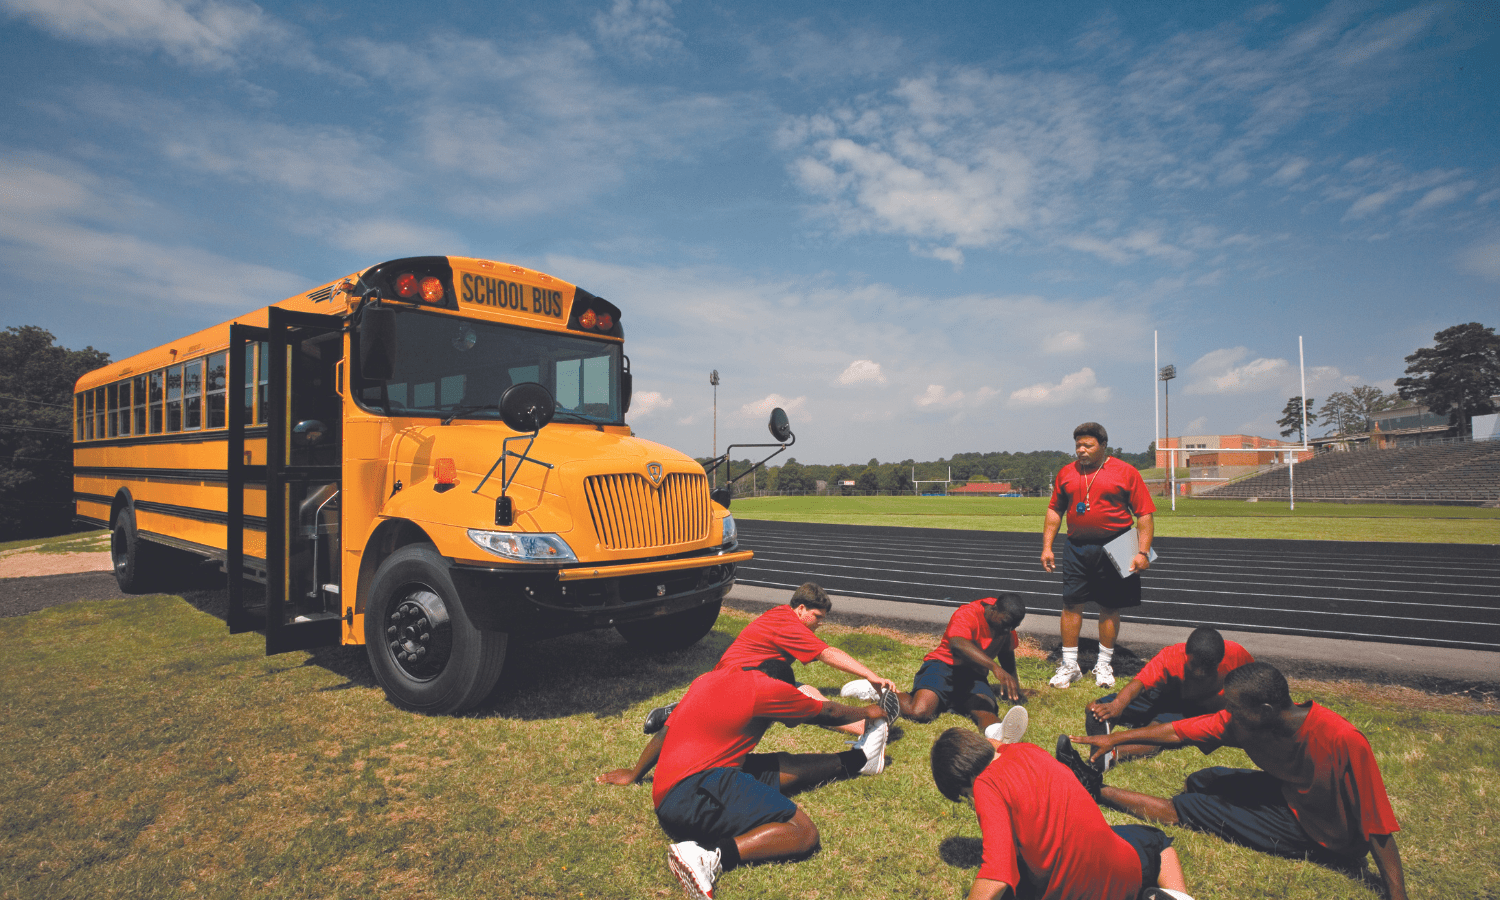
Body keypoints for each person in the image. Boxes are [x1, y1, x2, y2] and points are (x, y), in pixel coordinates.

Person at [1059, 662, 1407, 900]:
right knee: (1202, 780)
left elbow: (1377, 826)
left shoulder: (1342, 739)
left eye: (1236, 710)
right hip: (1291, 795)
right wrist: (1114, 740)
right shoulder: (1247, 722)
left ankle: (1096, 789)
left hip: (1323, 835)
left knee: (1191, 806)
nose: (1228, 717)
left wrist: (1397, 895)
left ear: (1267, 711)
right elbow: (1179, 731)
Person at [598, 659, 892, 900]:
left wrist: (636, 774)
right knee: (802, 832)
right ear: (779, 684)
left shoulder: (709, 679)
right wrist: (867, 711)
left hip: (685, 783)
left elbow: (666, 732)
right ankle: (708, 858)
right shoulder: (768, 689)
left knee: (782, 764)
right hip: (693, 792)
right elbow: (825, 711)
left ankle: (860, 760)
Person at [930, 727, 1193, 900]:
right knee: (1155, 840)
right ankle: (1177, 896)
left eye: (966, 796)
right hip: (1125, 871)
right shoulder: (1027, 750)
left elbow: (996, 875)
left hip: (1072, 892)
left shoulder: (985, 785)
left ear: (967, 780)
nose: (972, 802)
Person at [642, 582, 898, 737]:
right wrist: (869, 674)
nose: (820, 624)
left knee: (807, 692)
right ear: (800, 609)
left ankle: (866, 726)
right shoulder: (787, 622)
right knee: (808, 700)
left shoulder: (782, 616)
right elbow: (826, 653)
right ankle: (866, 728)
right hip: (737, 682)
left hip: (739, 679)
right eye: (817, 617)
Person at [1040, 422, 1156, 689]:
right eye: (1078, 445)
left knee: (1110, 605)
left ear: (1103, 446)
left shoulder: (1126, 472)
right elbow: (1054, 511)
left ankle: (1104, 663)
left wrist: (1142, 551)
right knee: (1071, 604)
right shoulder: (1066, 473)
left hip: (1119, 542)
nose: (1081, 450)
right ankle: (1070, 665)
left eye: (1088, 445)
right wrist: (1047, 546)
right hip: (1077, 546)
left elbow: (1144, 514)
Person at [847, 593, 1027, 739]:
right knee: (920, 712)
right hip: (942, 666)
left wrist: (1015, 690)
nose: (1007, 630)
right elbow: (957, 643)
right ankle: (879, 692)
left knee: (984, 708)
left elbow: (1007, 657)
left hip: (972, 676)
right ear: (994, 609)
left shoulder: (1006, 626)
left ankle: (997, 733)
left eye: (1013, 627)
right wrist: (994, 668)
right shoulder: (969, 613)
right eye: (1005, 624)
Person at [1083, 627, 1254, 769]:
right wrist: (1117, 704)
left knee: (1155, 733)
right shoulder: (1171, 655)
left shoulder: (1237, 654)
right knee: (1094, 708)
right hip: (1166, 695)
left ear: (1219, 661)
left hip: (1198, 708)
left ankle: (1112, 755)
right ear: (1186, 654)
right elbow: (1140, 682)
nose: (1199, 672)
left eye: (1208, 668)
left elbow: (1255, 683)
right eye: (1194, 665)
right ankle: (1100, 744)